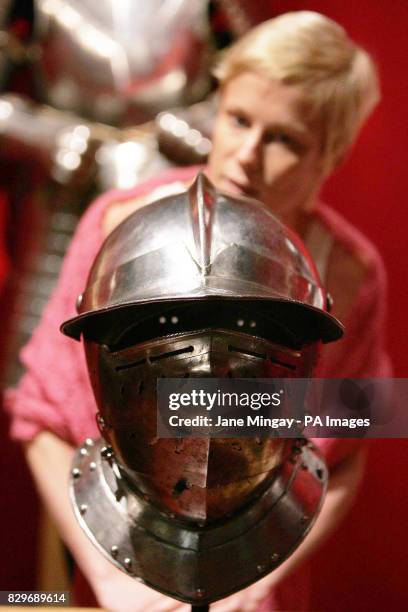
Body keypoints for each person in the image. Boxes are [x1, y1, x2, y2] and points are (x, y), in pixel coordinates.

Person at [5, 11, 390, 611]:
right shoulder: (123, 225)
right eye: (238, 118)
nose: (245, 154)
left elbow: (346, 451)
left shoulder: (350, 273)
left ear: (331, 154)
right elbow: (43, 416)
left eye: (285, 138)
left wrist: (260, 584)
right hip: (126, 561)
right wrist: (115, 582)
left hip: (262, 573)